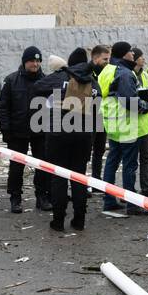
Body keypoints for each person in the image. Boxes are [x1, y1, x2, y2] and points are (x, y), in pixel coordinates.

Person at [32, 48, 97, 231]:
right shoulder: (92, 81)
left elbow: (37, 87)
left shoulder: (60, 77)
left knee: (58, 177)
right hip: (84, 134)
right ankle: (79, 220)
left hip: (58, 133)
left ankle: (58, 221)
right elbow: (98, 100)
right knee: (79, 177)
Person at [0, 45, 49, 213]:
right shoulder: (12, 80)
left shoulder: (46, 81)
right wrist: (6, 130)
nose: (35, 64)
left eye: (38, 61)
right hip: (17, 133)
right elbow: (3, 107)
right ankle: (15, 198)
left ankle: (41, 197)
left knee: (42, 166)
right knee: (16, 167)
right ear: (24, 62)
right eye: (32, 61)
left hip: (40, 132)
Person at [99, 41, 144, 215]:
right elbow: (129, 101)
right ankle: (132, 204)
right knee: (129, 164)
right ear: (124, 54)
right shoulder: (125, 72)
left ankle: (109, 200)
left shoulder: (107, 69)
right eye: (130, 52)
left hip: (111, 121)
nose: (133, 54)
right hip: (125, 122)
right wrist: (145, 106)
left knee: (112, 161)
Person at [133, 48, 148, 197]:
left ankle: (146, 188)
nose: (144, 59)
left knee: (146, 157)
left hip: (145, 121)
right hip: (131, 122)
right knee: (131, 161)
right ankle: (130, 191)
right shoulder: (129, 75)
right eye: (141, 57)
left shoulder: (144, 74)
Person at [87, 45, 110, 182]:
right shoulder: (87, 73)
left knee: (99, 149)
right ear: (95, 59)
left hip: (102, 116)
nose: (108, 62)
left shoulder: (106, 72)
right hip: (89, 118)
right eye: (105, 59)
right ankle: (82, 182)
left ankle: (96, 179)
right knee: (85, 151)